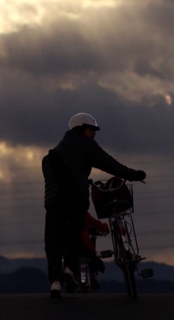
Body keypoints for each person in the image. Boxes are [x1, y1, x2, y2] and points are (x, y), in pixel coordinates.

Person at [43, 113, 146, 297]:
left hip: (53, 203)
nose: (94, 133)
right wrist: (134, 174)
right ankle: (68, 269)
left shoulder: (55, 152)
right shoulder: (85, 144)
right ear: (81, 129)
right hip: (75, 201)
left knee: (53, 241)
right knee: (74, 237)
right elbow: (109, 164)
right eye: (92, 129)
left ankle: (56, 282)